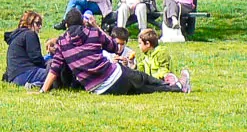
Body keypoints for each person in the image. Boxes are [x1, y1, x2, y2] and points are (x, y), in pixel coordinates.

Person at [41, 9, 189, 94]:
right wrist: (97, 28)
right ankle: (176, 86)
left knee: (140, 89)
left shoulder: (61, 42)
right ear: (82, 22)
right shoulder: (93, 33)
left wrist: (43, 91)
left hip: (97, 89)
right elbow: (114, 48)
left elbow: (54, 69)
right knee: (142, 79)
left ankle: (175, 87)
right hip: (114, 75)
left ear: (66, 25)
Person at [2, 10, 48, 86]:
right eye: (37, 23)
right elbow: (36, 58)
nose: (40, 27)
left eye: (41, 24)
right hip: (26, 73)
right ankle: (37, 85)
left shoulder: (17, 35)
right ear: (29, 22)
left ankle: (38, 84)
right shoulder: (30, 34)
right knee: (55, 74)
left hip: (15, 77)